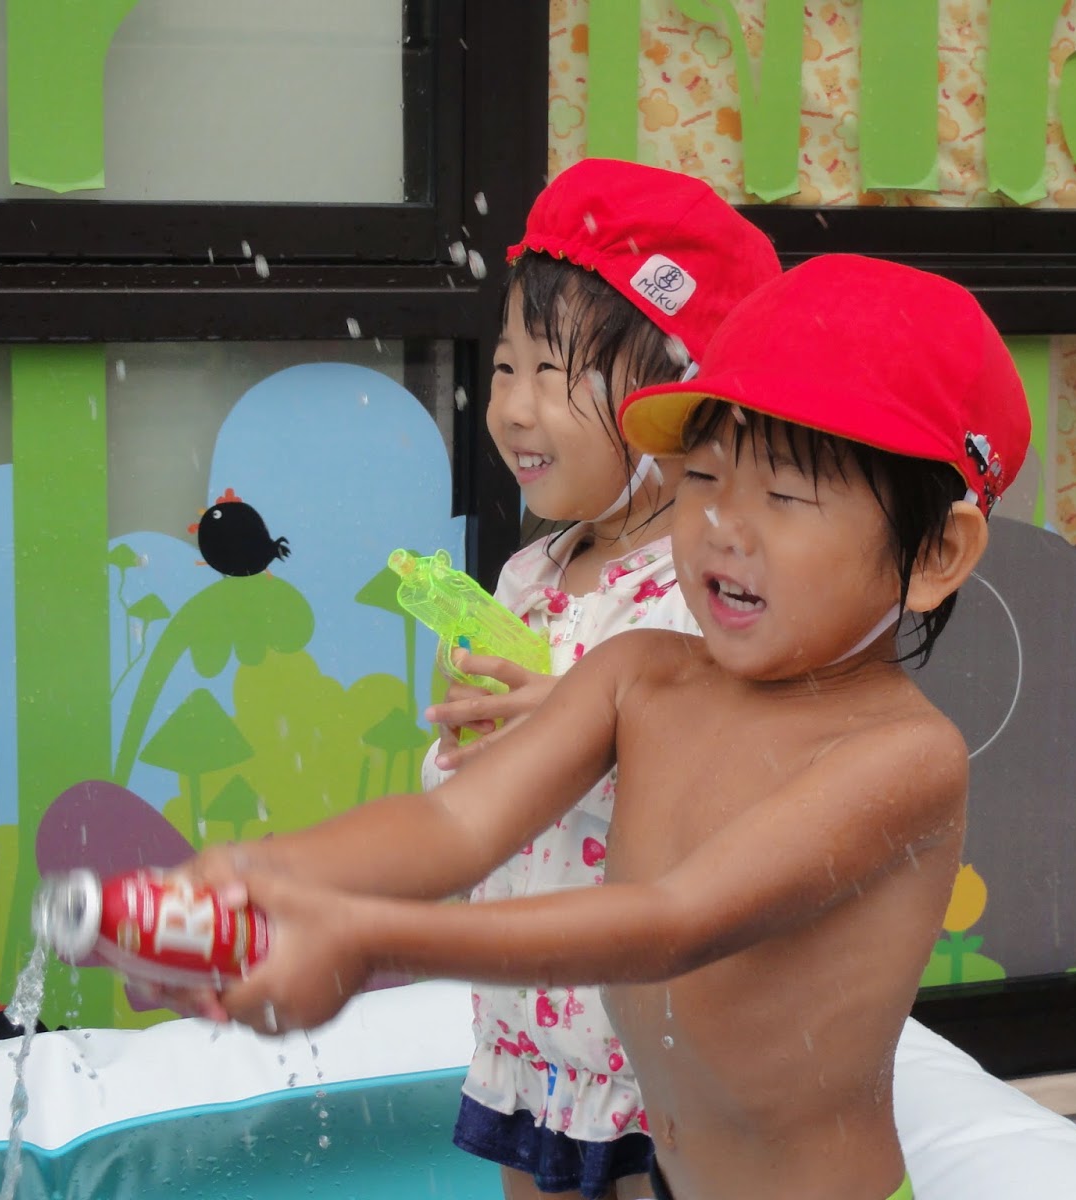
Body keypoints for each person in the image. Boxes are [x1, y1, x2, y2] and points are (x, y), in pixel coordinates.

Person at [168, 254, 1030, 1200]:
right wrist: (273, 873)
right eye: (704, 475)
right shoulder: (639, 674)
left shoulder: (904, 758)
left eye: (784, 496)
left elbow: (671, 923)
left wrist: (366, 940)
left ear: (935, 552)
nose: (723, 524)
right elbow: (458, 824)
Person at [158, 157, 778, 1200]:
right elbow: (467, 809)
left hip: (648, 1051)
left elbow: (738, 799)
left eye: (555, 374)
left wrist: (588, 737)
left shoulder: (702, 593)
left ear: (679, 402)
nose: (514, 409)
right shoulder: (529, 577)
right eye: (503, 368)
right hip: (530, 1033)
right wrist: (467, 749)